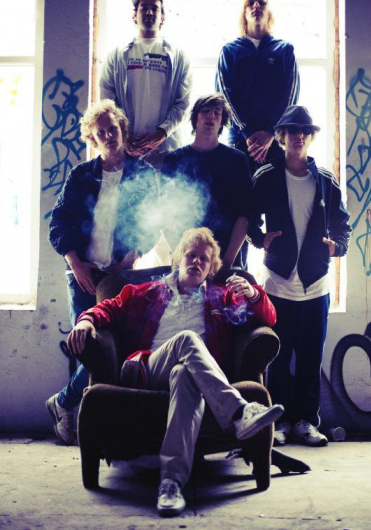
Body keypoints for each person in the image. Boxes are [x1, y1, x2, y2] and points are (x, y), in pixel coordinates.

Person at [67, 227, 283, 517]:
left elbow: (268, 319)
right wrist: (86, 321)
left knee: (183, 373)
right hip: (146, 370)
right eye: (191, 255)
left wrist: (254, 295)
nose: (196, 262)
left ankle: (171, 483)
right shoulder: (148, 291)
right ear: (179, 258)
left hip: (197, 377)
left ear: (211, 268)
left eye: (204, 259)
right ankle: (238, 411)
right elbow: (110, 307)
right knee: (186, 339)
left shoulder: (222, 297)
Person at [46, 99, 158, 445]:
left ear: (122, 130)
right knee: (86, 344)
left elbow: (151, 226)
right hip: (82, 275)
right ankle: (74, 409)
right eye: (101, 132)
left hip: (119, 276)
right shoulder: (81, 175)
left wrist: (129, 260)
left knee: (113, 346)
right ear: (92, 138)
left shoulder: (144, 174)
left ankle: (64, 403)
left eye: (113, 129)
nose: (109, 135)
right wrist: (75, 263)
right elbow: (58, 222)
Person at [248, 105, 352, 447]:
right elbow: (247, 217)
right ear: (281, 136)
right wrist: (259, 239)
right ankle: (278, 421)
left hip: (316, 286)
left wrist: (335, 247)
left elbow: (343, 225)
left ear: (311, 138)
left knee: (310, 359)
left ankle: (306, 422)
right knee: (277, 359)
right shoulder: (266, 176)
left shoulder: (325, 180)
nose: (299, 136)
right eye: (293, 131)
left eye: (305, 132)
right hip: (278, 284)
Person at [100, 0, 192, 169]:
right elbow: (107, 101)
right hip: (127, 148)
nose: (149, 12)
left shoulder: (179, 56)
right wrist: (123, 136)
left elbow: (184, 103)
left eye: (154, 8)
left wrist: (163, 133)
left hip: (166, 149)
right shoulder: (116, 55)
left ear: (163, 16)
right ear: (134, 15)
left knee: (169, 188)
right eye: (144, 8)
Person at [162, 93, 251, 268]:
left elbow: (244, 215)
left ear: (222, 122)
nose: (211, 116)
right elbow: (165, 215)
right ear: (195, 119)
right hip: (186, 261)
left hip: (228, 260)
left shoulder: (237, 161)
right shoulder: (173, 160)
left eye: (217, 113)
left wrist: (226, 262)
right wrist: (181, 257)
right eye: (205, 111)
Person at [216, 0, 300, 173]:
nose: (256, 6)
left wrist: (271, 131)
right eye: (251, 3)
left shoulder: (284, 50)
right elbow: (225, 96)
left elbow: (290, 96)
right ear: (244, 13)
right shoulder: (229, 51)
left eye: (261, 3)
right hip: (239, 140)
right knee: (238, 191)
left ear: (269, 13)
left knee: (273, 190)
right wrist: (248, 132)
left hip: (275, 141)